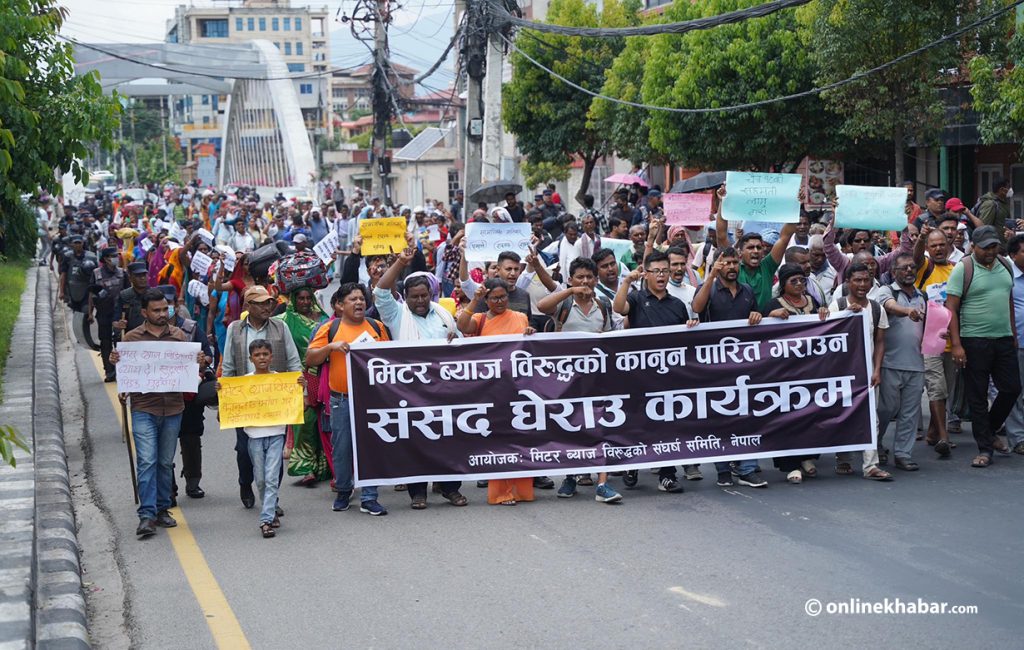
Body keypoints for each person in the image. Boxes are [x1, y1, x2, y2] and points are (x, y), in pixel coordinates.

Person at [108, 289, 208, 538]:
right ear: (144, 313)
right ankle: (146, 514)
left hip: (173, 408)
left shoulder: (180, 337)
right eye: (157, 310)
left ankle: (163, 508)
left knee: (164, 462)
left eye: (166, 309)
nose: (163, 314)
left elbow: (195, 368)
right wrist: (116, 364)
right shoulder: (131, 339)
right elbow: (125, 369)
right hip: (144, 407)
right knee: (147, 460)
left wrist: (200, 360)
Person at [375, 249, 468, 508]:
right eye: (414, 296)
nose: (419, 301)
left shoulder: (443, 315)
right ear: (405, 298)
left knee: (449, 440)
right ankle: (418, 493)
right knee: (415, 441)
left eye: (424, 296)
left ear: (431, 295)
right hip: (410, 392)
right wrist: (399, 264)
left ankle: (451, 488)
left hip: (445, 390)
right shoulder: (396, 315)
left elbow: (461, 346)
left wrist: (454, 340)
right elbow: (381, 292)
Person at [535, 257, 623, 504]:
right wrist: (571, 291)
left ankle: (603, 484)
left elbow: (610, 337)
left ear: (596, 280)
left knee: (600, 427)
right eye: (579, 277)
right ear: (571, 279)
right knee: (571, 429)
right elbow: (542, 306)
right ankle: (571, 476)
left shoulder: (603, 304)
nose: (585, 282)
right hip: (566, 381)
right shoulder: (564, 303)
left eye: (589, 277)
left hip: (596, 379)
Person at [306, 283, 391, 515]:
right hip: (341, 400)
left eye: (361, 299)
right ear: (341, 305)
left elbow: (391, 358)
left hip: (372, 399)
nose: (359, 303)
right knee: (341, 448)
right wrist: (331, 347)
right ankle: (344, 489)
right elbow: (311, 358)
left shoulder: (377, 327)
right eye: (352, 299)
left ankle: (370, 496)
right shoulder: (330, 329)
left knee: (370, 447)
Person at [612, 251, 690, 493]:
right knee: (637, 422)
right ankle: (632, 464)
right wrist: (626, 281)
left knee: (668, 425)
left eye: (665, 271)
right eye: (656, 271)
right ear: (645, 274)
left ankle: (667, 475)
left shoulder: (677, 304)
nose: (662, 276)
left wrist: (691, 327)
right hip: (637, 375)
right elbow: (618, 307)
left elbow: (685, 340)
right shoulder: (636, 299)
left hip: (669, 377)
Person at [457, 278, 538, 505]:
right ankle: (501, 492)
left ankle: (521, 490)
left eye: (503, 297)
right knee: (500, 442)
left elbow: (527, 347)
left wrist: (530, 332)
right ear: (487, 299)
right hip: (492, 391)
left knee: (520, 440)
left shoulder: (520, 318)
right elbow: (463, 326)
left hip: (519, 389)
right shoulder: (479, 319)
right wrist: (473, 300)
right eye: (494, 298)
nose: (500, 301)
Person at [946, 225, 1021, 468]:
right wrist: (956, 345)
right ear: (973, 246)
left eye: (994, 246)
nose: (991, 251)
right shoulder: (964, 268)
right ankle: (985, 449)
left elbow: (1008, 300)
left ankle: (987, 430)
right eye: (985, 247)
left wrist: (1012, 332)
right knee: (977, 396)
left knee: (1011, 389)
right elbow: (951, 309)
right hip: (974, 340)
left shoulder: (1005, 266)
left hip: (1003, 339)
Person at [221, 286, 302, 509]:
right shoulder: (235, 329)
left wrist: (299, 394)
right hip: (245, 401)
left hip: (276, 401)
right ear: (248, 306)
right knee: (244, 450)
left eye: (269, 302)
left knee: (275, 452)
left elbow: (294, 362)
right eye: (261, 303)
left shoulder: (280, 327)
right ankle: (245, 483)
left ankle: (271, 500)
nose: (268, 307)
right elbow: (228, 365)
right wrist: (225, 401)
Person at [222, 340, 306, 538]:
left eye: (265, 354)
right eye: (257, 355)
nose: (262, 358)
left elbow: (294, 398)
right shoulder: (244, 382)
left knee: (270, 478)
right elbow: (232, 398)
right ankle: (272, 505)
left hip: (276, 434)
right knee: (260, 479)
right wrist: (221, 389)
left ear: (271, 357)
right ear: (250, 359)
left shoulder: (281, 380)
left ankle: (266, 519)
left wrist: (300, 386)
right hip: (254, 437)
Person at [760, 263, 828, 483]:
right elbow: (759, 333)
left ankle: (807, 456)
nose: (799, 284)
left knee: (810, 415)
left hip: (810, 371)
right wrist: (770, 316)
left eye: (802, 280)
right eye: (794, 281)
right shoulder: (773, 305)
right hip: (783, 374)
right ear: (783, 284)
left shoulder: (813, 302)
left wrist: (824, 314)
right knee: (787, 418)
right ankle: (791, 464)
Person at [830, 262, 892, 481]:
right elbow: (827, 334)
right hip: (842, 373)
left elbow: (880, 342)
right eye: (857, 280)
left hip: (867, 373)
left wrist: (877, 370)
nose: (862, 284)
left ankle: (870, 465)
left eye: (866, 280)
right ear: (848, 282)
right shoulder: (837, 305)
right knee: (844, 416)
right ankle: (844, 458)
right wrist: (847, 313)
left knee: (871, 418)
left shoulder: (876, 309)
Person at [275, 286, 331, 487]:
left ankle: (324, 467)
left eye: (309, 298)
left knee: (324, 422)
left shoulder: (323, 318)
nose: (305, 302)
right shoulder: (284, 321)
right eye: (301, 298)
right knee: (305, 423)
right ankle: (306, 468)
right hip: (299, 377)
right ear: (293, 299)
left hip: (323, 376)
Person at [875, 254, 927, 470]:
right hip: (890, 362)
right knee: (885, 411)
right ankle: (875, 446)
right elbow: (889, 306)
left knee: (910, 413)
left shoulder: (922, 295)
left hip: (916, 363)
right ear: (894, 271)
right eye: (904, 268)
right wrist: (907, 311)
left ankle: (903, 454)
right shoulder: (886, 291)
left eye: (912, 268)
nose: (909, 271)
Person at [913, 225, 957, 452]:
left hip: (952, 339)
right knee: (936, 388)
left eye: (942, 244)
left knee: (946, 389)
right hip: (929, 339)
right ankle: (943, 436)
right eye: (934, 245)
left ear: (949, 246)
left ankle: (932, 432)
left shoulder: (957, 269)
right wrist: (921, 238)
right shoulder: (925, 267)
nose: (938, 248)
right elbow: (916, 257)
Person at [715, 185, 796, 307]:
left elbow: (784, 237)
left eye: (759, 247)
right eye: (750, 247)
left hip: (765, 323)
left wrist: (796, 204)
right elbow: (721, 236)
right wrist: (722, 202)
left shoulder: (767, 267)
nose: (756, 251)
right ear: (740, 253)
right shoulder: (734, 267)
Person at [89, 246, 126, 382]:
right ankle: (109, 371)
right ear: (106, 259)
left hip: (119, 314)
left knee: (120, 342)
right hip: (103, 314)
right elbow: (92, 293)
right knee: (105, 343)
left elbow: (127, 293)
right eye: (113, 256)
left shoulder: (122, 273)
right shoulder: (96, 273)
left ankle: (122, 370)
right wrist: (90, 313)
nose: (116, 258)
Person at [1001, 234, 1024, 455]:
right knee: (1016, 391)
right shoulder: (1006, 276)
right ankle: (1018, 438)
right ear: (1013, 255)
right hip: (1016, 342)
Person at [58, 235, 97, 311]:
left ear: (83, 243)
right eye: (75, 243)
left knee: (86, 309)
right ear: (72, 244)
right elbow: (63, 274)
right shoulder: (67, 257)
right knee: (76, 310)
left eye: (79, 243)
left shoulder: (91, 257)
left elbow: (96, 274)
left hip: (87, 288)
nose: (77, 245)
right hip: (72, 289)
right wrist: (62, 291)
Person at [976, 177, 1012, 242]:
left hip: (1003, 243)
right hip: (994, 245)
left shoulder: (1002, 203)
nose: (1010, 190)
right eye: (1008, 187)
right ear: (1002, 190)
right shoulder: (990, 204)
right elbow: (984, 227)